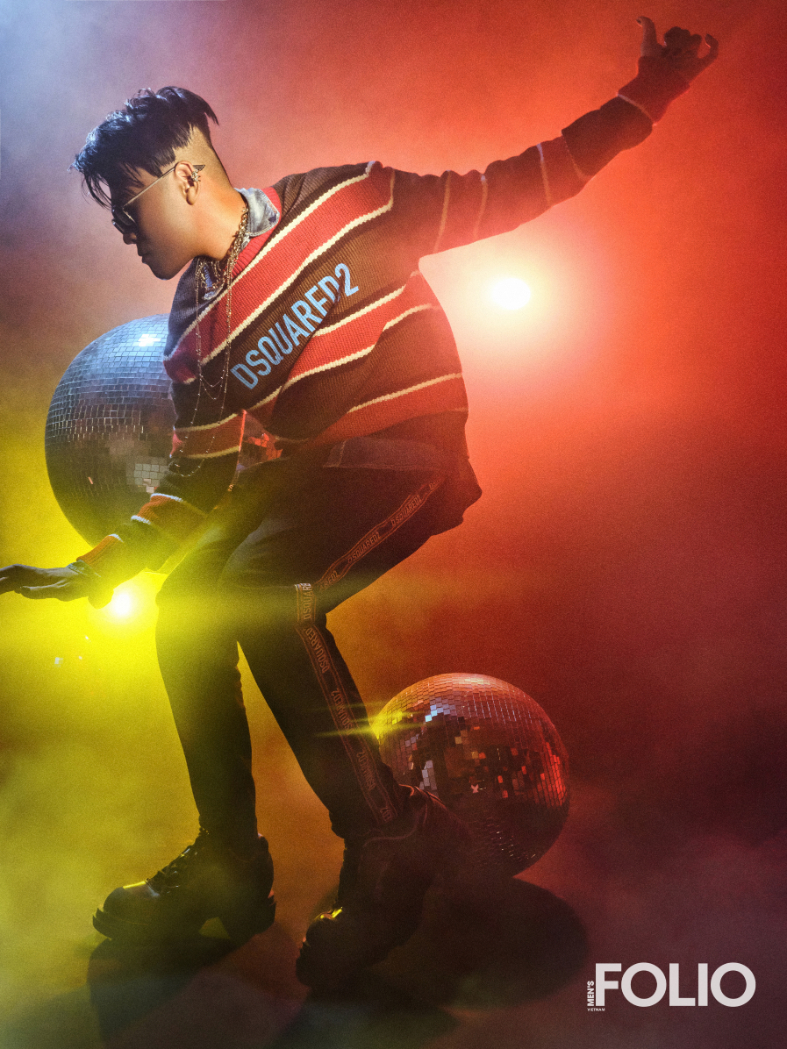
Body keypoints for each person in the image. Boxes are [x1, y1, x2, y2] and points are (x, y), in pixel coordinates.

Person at [0, 19, 717, 991]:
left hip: (401, 450)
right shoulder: (193, 330)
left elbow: (517, 184)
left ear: (184, 175)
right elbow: (193, 483)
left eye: (129, 207)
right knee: (186, 606)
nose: (125, 232)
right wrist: (95, 569)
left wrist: (651, 92)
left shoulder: (348, 202)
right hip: (299, 483)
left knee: (265, 594)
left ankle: (389, 842)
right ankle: (227, 862)